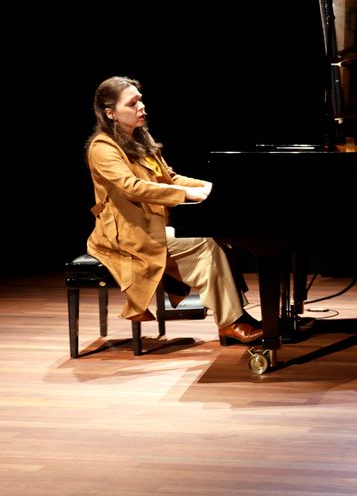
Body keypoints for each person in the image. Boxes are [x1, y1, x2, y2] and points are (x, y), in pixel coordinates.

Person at [85, 75, 263, 344]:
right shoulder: (102, 147)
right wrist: (185, 194)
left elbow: (170, 177)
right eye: (132, 104)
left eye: (140, 101)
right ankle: (231, 322)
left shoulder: (140, 139)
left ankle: (236, 315)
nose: (141, 107)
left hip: (152, 226)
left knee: (217, 234)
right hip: (126, 235)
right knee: (203, 242)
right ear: (111, 113)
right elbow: (131, 187)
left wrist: (210, 186)